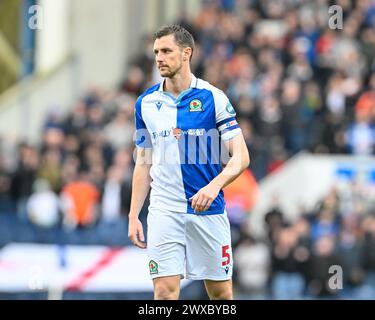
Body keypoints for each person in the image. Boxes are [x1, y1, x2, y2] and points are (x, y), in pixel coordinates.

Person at [128, 25, 250, 300]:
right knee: (164, 292)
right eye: (156, 52)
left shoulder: (213, 97)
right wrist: (134, 214)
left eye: (166, 51)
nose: (159, 57)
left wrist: (213, 187)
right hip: (164, 209)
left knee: (220, 294)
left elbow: (241, 156)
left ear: (186, 53)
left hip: (207, 209)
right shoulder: (145, 103)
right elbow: (143, 162)